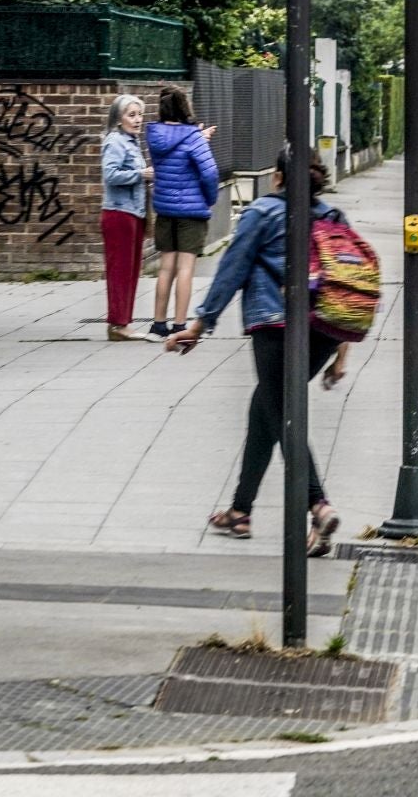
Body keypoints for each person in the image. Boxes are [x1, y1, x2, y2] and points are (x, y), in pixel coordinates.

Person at [165, 150, 349, 555]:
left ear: (278, 178)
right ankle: (240, 511)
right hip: (323, 333)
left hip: (276, 327)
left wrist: (199, 324)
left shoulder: (262, 213)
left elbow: (232, 268)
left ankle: (317, 504)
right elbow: (346, 285)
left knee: (282, 414)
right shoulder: (333, 218)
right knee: (264, 412)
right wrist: (340, 353)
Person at [147, 87, 219, 338]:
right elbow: (209, 172)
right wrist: (209, 199)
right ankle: (179, 324)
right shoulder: (193, 137)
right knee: (186, 268)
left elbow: (172, 150)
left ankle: (158, 323)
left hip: (165, 208)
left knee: (166, 267)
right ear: (184, 106)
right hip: (191, 210)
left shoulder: (154, 134)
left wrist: (198, 136)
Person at [100, 95, 153, 341]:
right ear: (118, 119)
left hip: (134, 212)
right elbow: (110, 175)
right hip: (119, 213)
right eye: (131, 115)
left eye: (139, 114)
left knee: (131, 270)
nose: (137, 120)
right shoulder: (115, 141)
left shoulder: (132, 142)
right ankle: (117, 324)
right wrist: (141, 173)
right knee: (120, 270)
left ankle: (124, 322)